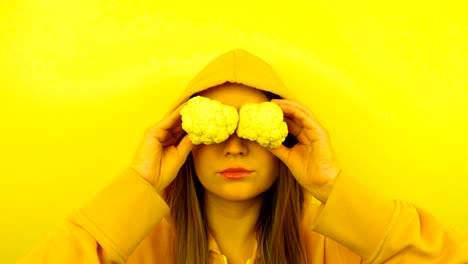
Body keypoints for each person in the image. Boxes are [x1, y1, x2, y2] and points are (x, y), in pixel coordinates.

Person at [17, 49, 467, 264]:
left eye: (253, 125)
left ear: (287, 137)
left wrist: (331, 185)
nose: (234, 145)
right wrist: (139, 186)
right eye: (215, 128)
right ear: (182, 141)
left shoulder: (332, 245)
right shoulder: (140, 247)